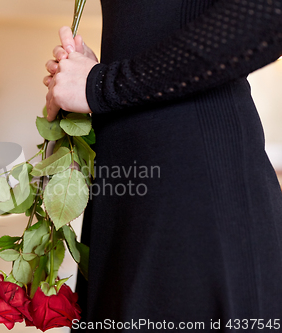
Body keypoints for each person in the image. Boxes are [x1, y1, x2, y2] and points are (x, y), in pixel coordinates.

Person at [44, 0, 282, 331]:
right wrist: (89, 76)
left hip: (191, 177)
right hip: (127, 182)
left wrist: (102, 84)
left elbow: (268, 13)